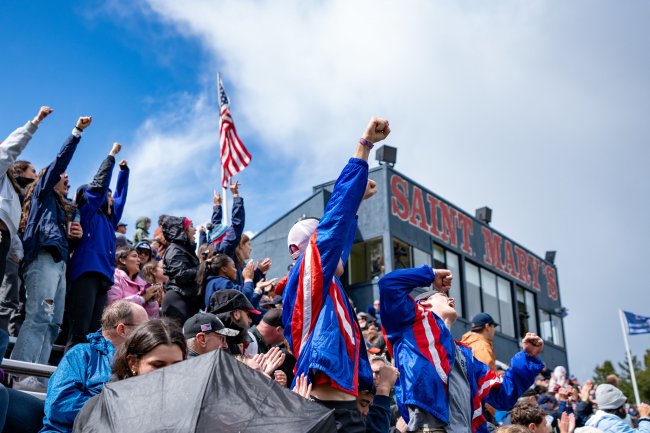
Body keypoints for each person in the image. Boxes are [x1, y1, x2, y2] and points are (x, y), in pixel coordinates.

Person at [282, 117, 389, 432]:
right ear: (314, 245)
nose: (342, 247)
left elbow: (340, 238)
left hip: (342, 412)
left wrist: (357, 201)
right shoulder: (310, 275)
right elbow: (336, 223)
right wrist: (364, 147)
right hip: (326, 413)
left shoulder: (320, 284)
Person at [378, 264, 545, 433]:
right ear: (424, 304)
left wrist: (527, 357)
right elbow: (389, 284)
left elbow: (503, 395)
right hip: (428, 428)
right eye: (443, 296)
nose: (452, 300)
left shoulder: (467, 357)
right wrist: (431, 274)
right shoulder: (407, 323)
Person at [11, 115, 91, 390]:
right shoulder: (41, 195)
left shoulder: (59, 209)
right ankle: (20, 375)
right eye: (62, 176)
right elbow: (60, 162)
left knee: (54, 323)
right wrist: (76, 133)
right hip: (42, 259)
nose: (66, 179)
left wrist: (73, 240)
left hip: (58, 263)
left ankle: (38, 377)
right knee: (39, 317)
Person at [40, 301, 149, 433]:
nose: (148, 333)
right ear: (122, 330)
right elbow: (59, 405)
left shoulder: (142, 362)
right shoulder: (81, 353)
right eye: (143, 328)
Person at [0, 106, 52, 361]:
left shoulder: (11, 190)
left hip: (5, 243)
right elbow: (7, 150)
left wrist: (15, 252)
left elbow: (10, 223)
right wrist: (35, 122)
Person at [65, 143, 129, 348]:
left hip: (104, 278)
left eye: (109, 195)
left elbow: (120, 199)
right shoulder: (87, 212)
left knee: (94, 335)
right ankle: (68, 375)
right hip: (85, 273)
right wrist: (110, 157)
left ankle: (85, 378)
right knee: (79, 332)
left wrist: (124, 173)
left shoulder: (109, 221)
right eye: (105, 195)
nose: (109, 198)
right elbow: (98, 187)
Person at [73, 318, 186, 431]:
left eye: (177, 365)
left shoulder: (189, 410)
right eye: (157, 365)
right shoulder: (97, 409)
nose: (169, 372)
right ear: (133, 363)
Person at [159, 215, 201, 324]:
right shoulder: (174, 250)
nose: (195, 229)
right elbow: (181, 275)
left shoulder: (183, 249)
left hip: (187, 299)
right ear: (183, 230)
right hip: (177, 301)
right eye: (191, 226)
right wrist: (202, 268)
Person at [197, 253, 271, 309]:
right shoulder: (221, 283)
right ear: (224, 269)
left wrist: (258, 289)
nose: (235, 270)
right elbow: (245, 297)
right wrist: (248, 279)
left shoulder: (213, 282)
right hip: (225, 328)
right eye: (233, 267)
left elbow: (248, 306)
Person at [107, 248, 161, 318]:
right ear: (123, 260)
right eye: (134, 256)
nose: (139, 260)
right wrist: (142, 298)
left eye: (138, 257)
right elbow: (114, 306)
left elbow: (152, 317)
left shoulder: (143, 284)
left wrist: (151, 301)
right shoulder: (115, 277)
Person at [208, 289, 261, 355]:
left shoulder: (209, 331)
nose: (250, 320)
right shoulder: (209, 335)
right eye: (248, 315)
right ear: (236, 314)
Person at [585, 384, 650, 433]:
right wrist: (644, 417)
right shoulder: (611, 425)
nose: (626, 408)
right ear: (617, 406)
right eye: (624, 404)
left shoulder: (601, 421)